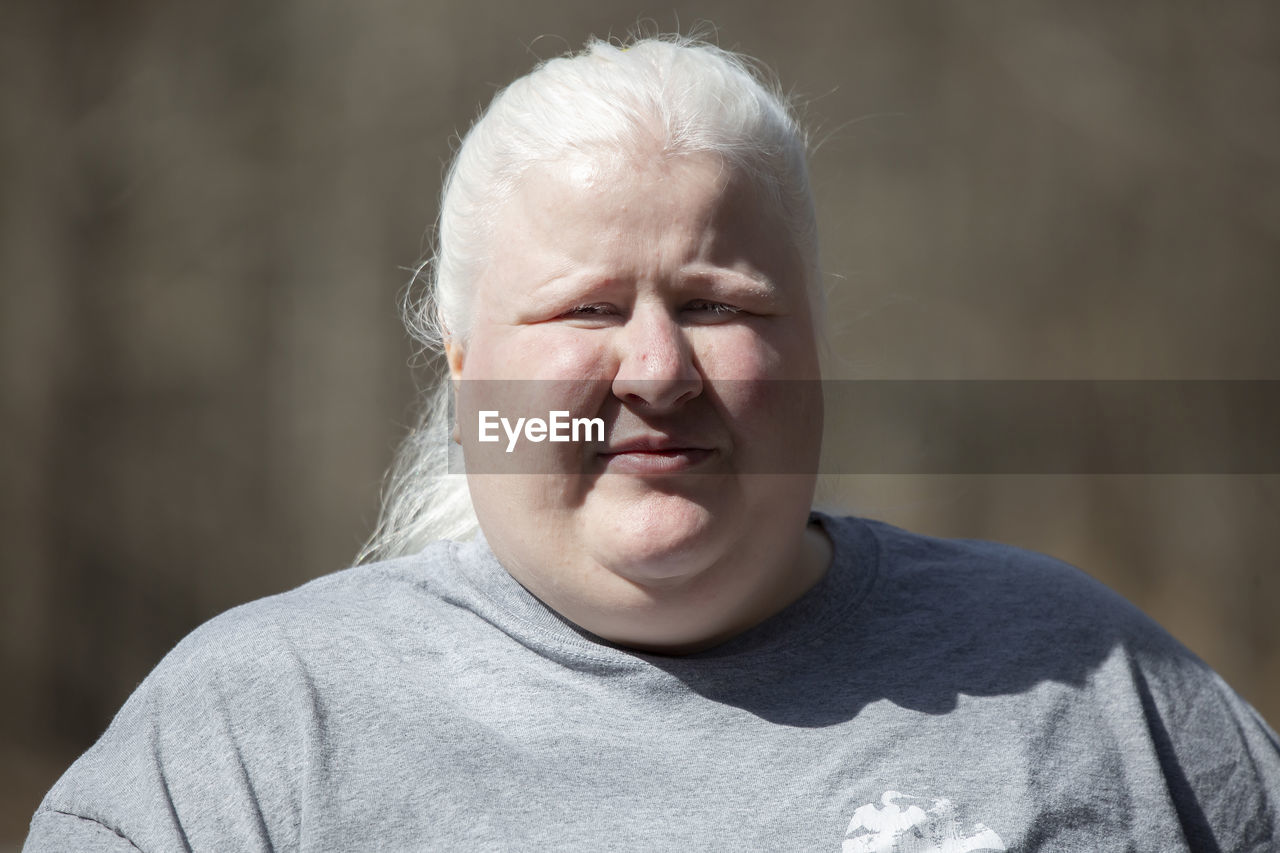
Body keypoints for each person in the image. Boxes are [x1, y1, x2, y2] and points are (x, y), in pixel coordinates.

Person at [25, 35, 1279, 852]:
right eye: (582, 309)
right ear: (462, 367)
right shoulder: (257, 733)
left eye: (717, 304)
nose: (657, 368)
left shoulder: (1091, 680)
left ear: (815, 351)